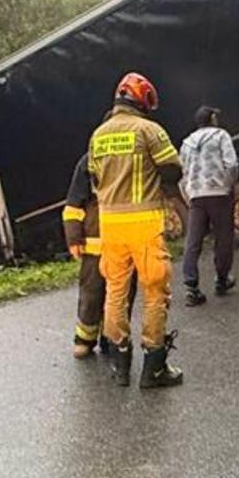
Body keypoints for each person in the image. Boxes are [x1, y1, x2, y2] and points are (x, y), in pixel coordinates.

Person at [90, 72, 186, 388]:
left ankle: (120, 364)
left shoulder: (98, 135)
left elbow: (94, 179)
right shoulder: (148, 129)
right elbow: (173, 168)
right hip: (143, 221)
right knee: (155, 292)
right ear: (143, 101)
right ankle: (154, 367)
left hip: (110, 225)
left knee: (115, 291)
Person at [63, 153, 133, 359]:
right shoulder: (89, 161)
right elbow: (73, 205)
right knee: (91, 295)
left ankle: (112, 339)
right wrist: (74, 237)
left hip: (125, 245)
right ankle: (85, 339)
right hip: (95, 246)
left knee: (123, 297)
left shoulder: (132, 158)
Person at [178, 105, 237, 306]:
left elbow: (182, 174)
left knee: (193, 241)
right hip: (219, 194)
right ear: (212, 118)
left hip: (196, 196)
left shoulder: (186, 143)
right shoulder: (221, 136)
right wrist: (228, 185)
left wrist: (188, 195)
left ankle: (191, 287)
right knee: (223, 238)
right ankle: (222, 280)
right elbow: (232, 164)